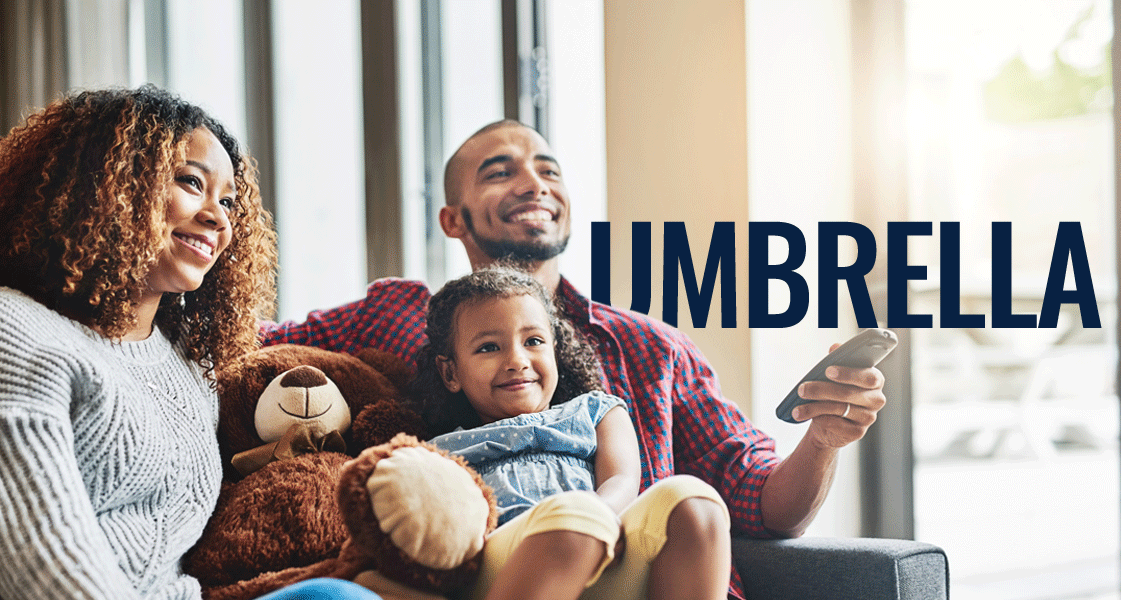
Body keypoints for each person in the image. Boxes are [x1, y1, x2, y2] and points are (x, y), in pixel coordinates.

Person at [259, 119, 887, 598]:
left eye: (549, 171)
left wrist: (824, 440)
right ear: (454, 218)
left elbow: (766, 503)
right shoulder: (397, 316)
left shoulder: (648, 346)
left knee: (691, 501)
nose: (534, 182)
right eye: (500, 171)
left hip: (643, 576)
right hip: (492, 564)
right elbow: (253, 346)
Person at [0, 87, 378, 600]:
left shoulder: (188, 361)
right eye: (191, 183)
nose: (219, 218)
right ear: (105, 185)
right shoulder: (15, 328)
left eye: (228, 201)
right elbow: (39, 560)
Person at [402, 266, 730, 600]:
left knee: (693, 503)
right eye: (488, 347)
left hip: (607, 549)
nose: (517, 360)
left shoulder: (596, 412)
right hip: (503, 567)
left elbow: (622, 480)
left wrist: (601, 517)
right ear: (450, 372)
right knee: (570, 517)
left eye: (533, 341)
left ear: (555, 350)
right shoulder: (437, 454)